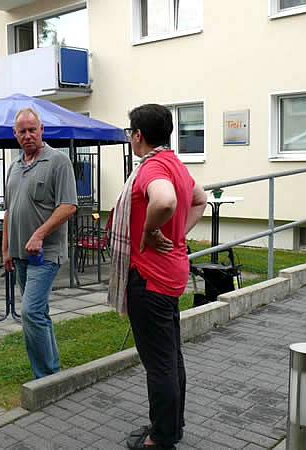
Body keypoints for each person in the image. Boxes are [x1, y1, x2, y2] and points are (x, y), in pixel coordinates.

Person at [108, 104, 207, 450]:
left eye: (129, 132)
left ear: (138, 135)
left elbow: (164, 201)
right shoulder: (174, 163)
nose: (130, 137)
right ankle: (170, 426)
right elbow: (199, 200)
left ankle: (161, 437)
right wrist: (178, 235)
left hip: (150, 279)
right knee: (171, 356)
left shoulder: (153, 167)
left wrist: (151, 232)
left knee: (160, 363)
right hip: (169, 274)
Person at [2, 107, 77, 379]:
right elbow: (9, 211)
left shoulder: (58, 162)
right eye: (22, 131)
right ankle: (52, 374)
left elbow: (68, 206)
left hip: (46, 253)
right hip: (20, 254)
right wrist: (6, 248)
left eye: (32, 130)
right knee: (39, 313)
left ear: (42, 130)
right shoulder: (13, 167)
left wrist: (39, 234)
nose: (28, 135)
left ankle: (45, 377)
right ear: (15, 134)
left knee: (30, 312)